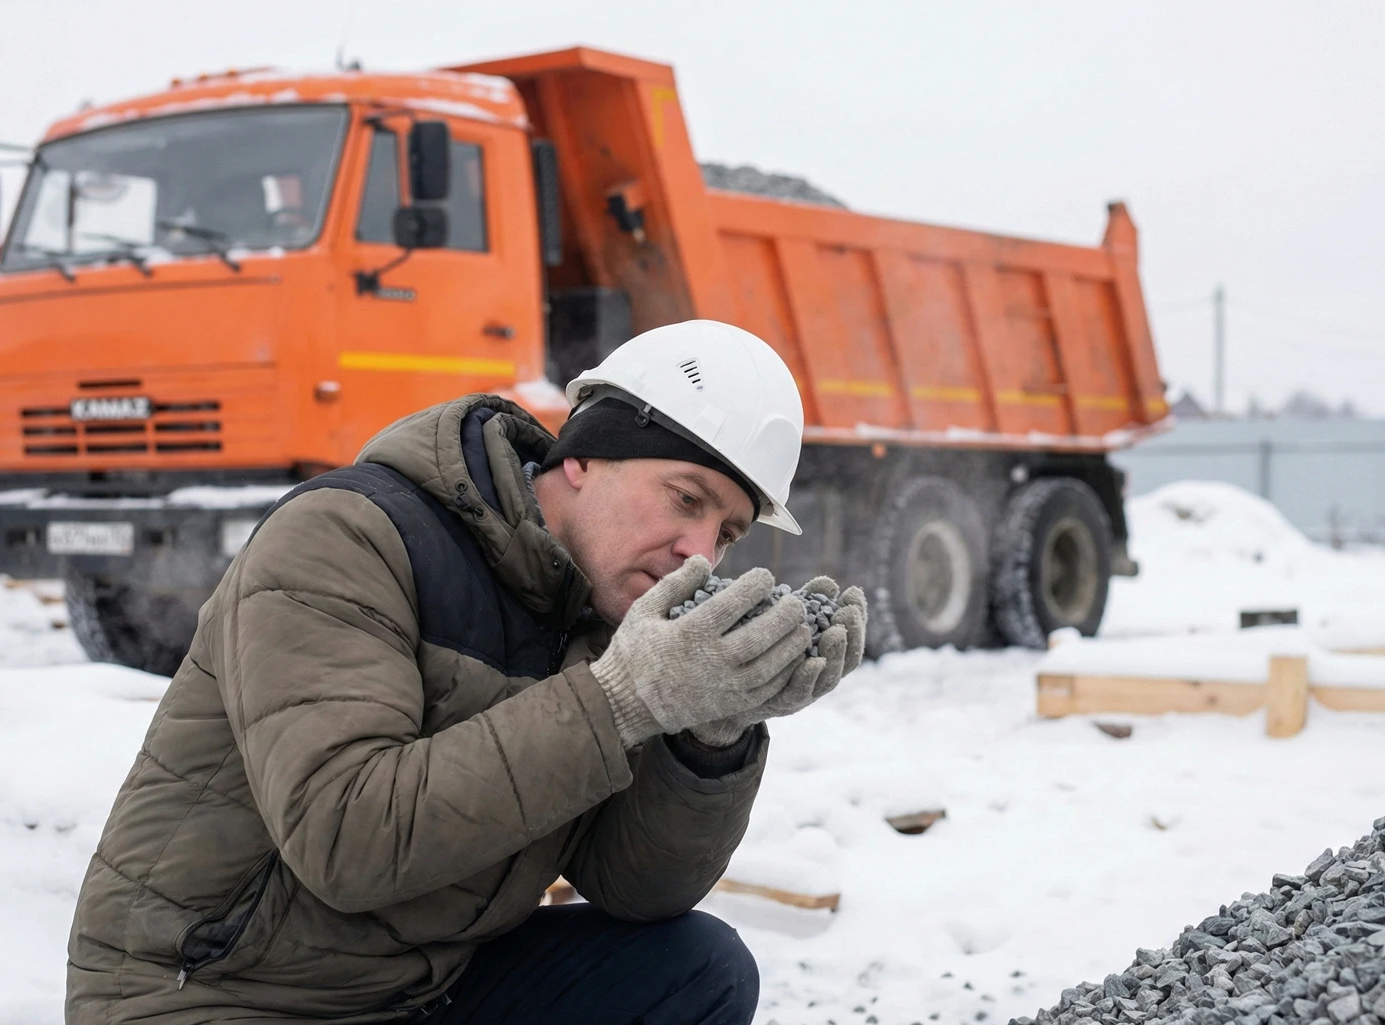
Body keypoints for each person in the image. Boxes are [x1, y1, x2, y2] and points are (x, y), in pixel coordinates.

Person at [65, 319, 868, 1024]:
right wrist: (622, 700)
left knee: (694, 970)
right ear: (587, 458)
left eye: (727, 532)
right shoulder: (348, 535)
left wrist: (709, 730)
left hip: (408, 994)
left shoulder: (608, 621)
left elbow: (637, 892)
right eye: (685, 499)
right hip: (216, 997)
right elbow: (345, 836)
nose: (699, 551)